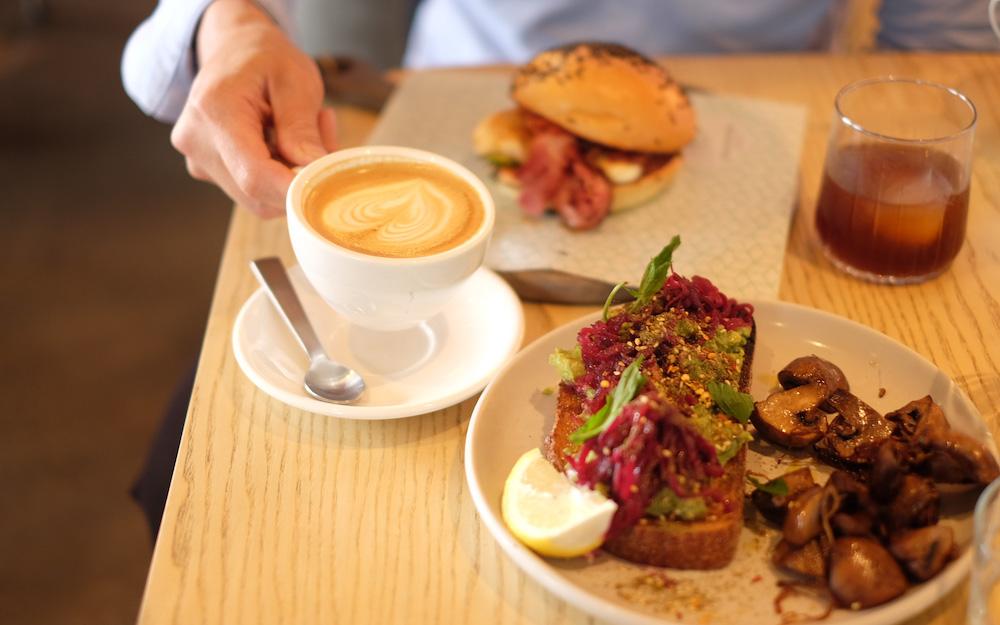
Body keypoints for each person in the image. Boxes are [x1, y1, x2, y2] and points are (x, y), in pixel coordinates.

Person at [122, 0, 995, 538]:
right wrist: (226, 21)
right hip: (461, 83)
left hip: (775, 118)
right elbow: (185, 26)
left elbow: (947, 37)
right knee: (184, 473)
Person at [123, 0, 997, 220]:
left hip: (770, 147)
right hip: (445, 114)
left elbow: (947, 37)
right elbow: (169, 42)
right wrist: (224, 23)